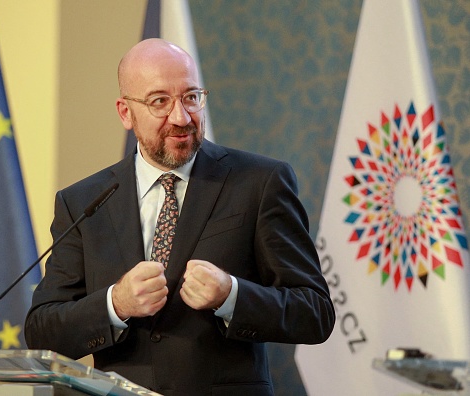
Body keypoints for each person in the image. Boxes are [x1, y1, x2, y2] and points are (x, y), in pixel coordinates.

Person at [25, 38, 335, 396]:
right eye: (160, 101)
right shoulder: (83, 201)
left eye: (191, 97)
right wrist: (116, 303)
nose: (181, 117)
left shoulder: (259, 183)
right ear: (126, 112)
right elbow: (42, 332)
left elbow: (315, 313)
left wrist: (231, 295)